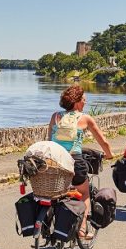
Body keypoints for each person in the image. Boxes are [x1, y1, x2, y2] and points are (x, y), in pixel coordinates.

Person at [48, 84, 113, 240]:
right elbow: (103, 142)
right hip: (74, 161)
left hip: (54, 161)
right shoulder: (85, 118)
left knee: (55, 193)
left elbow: (49, 140)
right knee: (84, 193)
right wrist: (109, 155)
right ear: (77, 102)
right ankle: (82, 229)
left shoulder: (55, 116)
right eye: (84, 100)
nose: (85, 103)